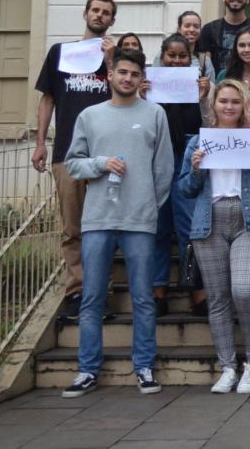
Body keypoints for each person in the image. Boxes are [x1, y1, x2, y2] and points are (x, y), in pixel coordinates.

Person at [61, 49, 173, 397]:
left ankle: (144, 366)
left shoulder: (155, 113)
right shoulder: (89, 116)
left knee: (142, 297)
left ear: (142, 79)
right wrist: (100, 164)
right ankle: (87, 370)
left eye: (134, 73)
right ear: (110, 74)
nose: (127, 78)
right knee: (92, 297)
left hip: (139, 219)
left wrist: (149, 205)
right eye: (122, 72)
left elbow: (164, 169)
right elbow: (73, 164)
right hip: (97, 218)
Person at [181, 79, 250, 394]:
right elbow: (183, 189)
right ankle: (227, 366)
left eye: (235, 102)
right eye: (223, 101)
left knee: (245, 290)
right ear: (214, 105)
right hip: (208, 223)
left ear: (244, 106)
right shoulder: (197, 142)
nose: (228, 107)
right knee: (218, 298)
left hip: (249, 221)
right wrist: (197, 169)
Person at [32, 0, 117, 320]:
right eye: (95, 10)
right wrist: (40, 142)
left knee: (103, 226)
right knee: (72, 227)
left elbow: (124, 93)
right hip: (67, 151)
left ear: (112, 20)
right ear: (85, 14)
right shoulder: (60, 53)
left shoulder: (115, 55)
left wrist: (110, 61)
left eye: (106, 12)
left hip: (106, 154)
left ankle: (103, 292)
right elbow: (47, 99)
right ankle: (76, 289)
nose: (99, 15)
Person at [140, 34, 209, 317]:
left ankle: (195, 288)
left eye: (182, 56)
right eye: (172, 55)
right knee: (158, 225)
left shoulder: (201, 85)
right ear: (163, 56)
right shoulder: (149, 85)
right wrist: (142, 97)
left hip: (187, 157)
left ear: (190, 58)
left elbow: (213, 121)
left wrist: (204, 97)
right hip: (156, 157)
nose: (177, 61)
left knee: (189, 225)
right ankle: (158, 289)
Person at [153, 11, 216, 83]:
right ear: (179, 29)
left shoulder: (205, 61)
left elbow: (212, 88)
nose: (192, 30)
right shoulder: (161, 56)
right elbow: (154, 83)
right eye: (187, 26)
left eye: (196, 26)